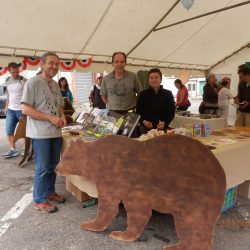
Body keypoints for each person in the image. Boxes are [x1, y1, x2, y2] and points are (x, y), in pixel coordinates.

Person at [21, 52, 66, 213]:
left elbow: (59, 105)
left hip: (55, 132)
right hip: (40, 133)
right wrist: (50, 118)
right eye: (51, 63)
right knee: (42, 167)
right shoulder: (33, 83)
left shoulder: (54, 84)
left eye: (57, 64)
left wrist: (61, 116)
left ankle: (49, 192)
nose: (54, 66)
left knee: (54, 166)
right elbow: (25, 108)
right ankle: (39, 199)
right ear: (42, 64)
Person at [136, 68, 175, 134]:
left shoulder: (168, 94)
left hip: (163, 130)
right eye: (151, 78)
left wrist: (165, 122)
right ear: (148, 80)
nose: (154, 80)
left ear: (160, 79)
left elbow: (171, 112)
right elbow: (138, 111)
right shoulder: (143, 94)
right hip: (146, 130)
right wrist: (143, 121)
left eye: (156, 77)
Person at [2, 62, 26, 158]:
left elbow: (28, 95)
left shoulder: (23, 80)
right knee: (9, 131)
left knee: (24, 131)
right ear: (9, 71)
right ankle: (13, 150)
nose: (15, 74)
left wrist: (25, 107)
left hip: (21, 110)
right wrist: (6, 106)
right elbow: (8, 94)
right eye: (13, 72)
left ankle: (26, 149)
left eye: (17, 72)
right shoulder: (7, 79)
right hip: (11, 110)